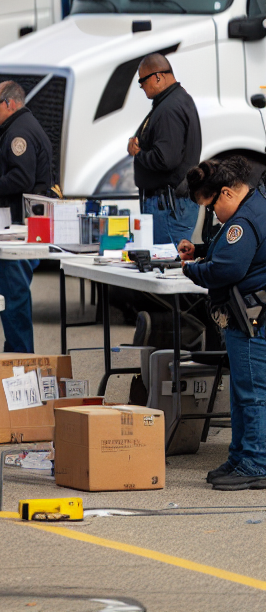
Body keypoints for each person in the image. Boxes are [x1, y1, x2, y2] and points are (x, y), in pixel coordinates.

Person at [180, 157, 266, 491]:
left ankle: (255, 462)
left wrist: (190, 270)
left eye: (212, 206)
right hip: (249, 317)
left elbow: (226, 269)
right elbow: (235, 252)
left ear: (227, 193)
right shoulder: (254, 203)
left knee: (252, 394)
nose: (213, 214)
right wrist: (201, 249)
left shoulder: (241, 223)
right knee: (243, 393)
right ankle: (241, 455)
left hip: (250, 321)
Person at [0, 79, 54, 354]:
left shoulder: (19, 132)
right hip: (22, 224)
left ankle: (19, 357)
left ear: (9, 103)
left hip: (20, 228)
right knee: (12, 292)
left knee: (13, 294)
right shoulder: (20, 127)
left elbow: (22, 178)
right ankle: (15, 353)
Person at [128, 53, 202, 246]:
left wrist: (138, 153)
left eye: (142, 81)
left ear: (158, 77)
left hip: (168, 206)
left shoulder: (169, 109)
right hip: (172, 204)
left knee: (165, 269)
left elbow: (165, 159)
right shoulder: (175, 101)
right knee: (166, 268)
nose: (141, 86)